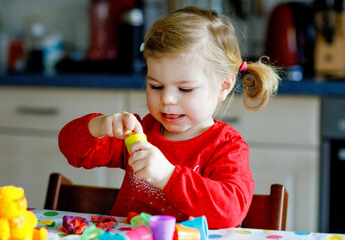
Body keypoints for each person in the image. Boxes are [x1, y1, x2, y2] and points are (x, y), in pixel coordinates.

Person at [58, 6, 280, 229]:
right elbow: (72, 150)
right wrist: (98, 126)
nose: (167, 99)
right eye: (156, 86)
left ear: (223, 86)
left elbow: (230, 212)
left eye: (185, 89)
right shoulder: (139, 133)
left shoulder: (225, 147)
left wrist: (168, 176)